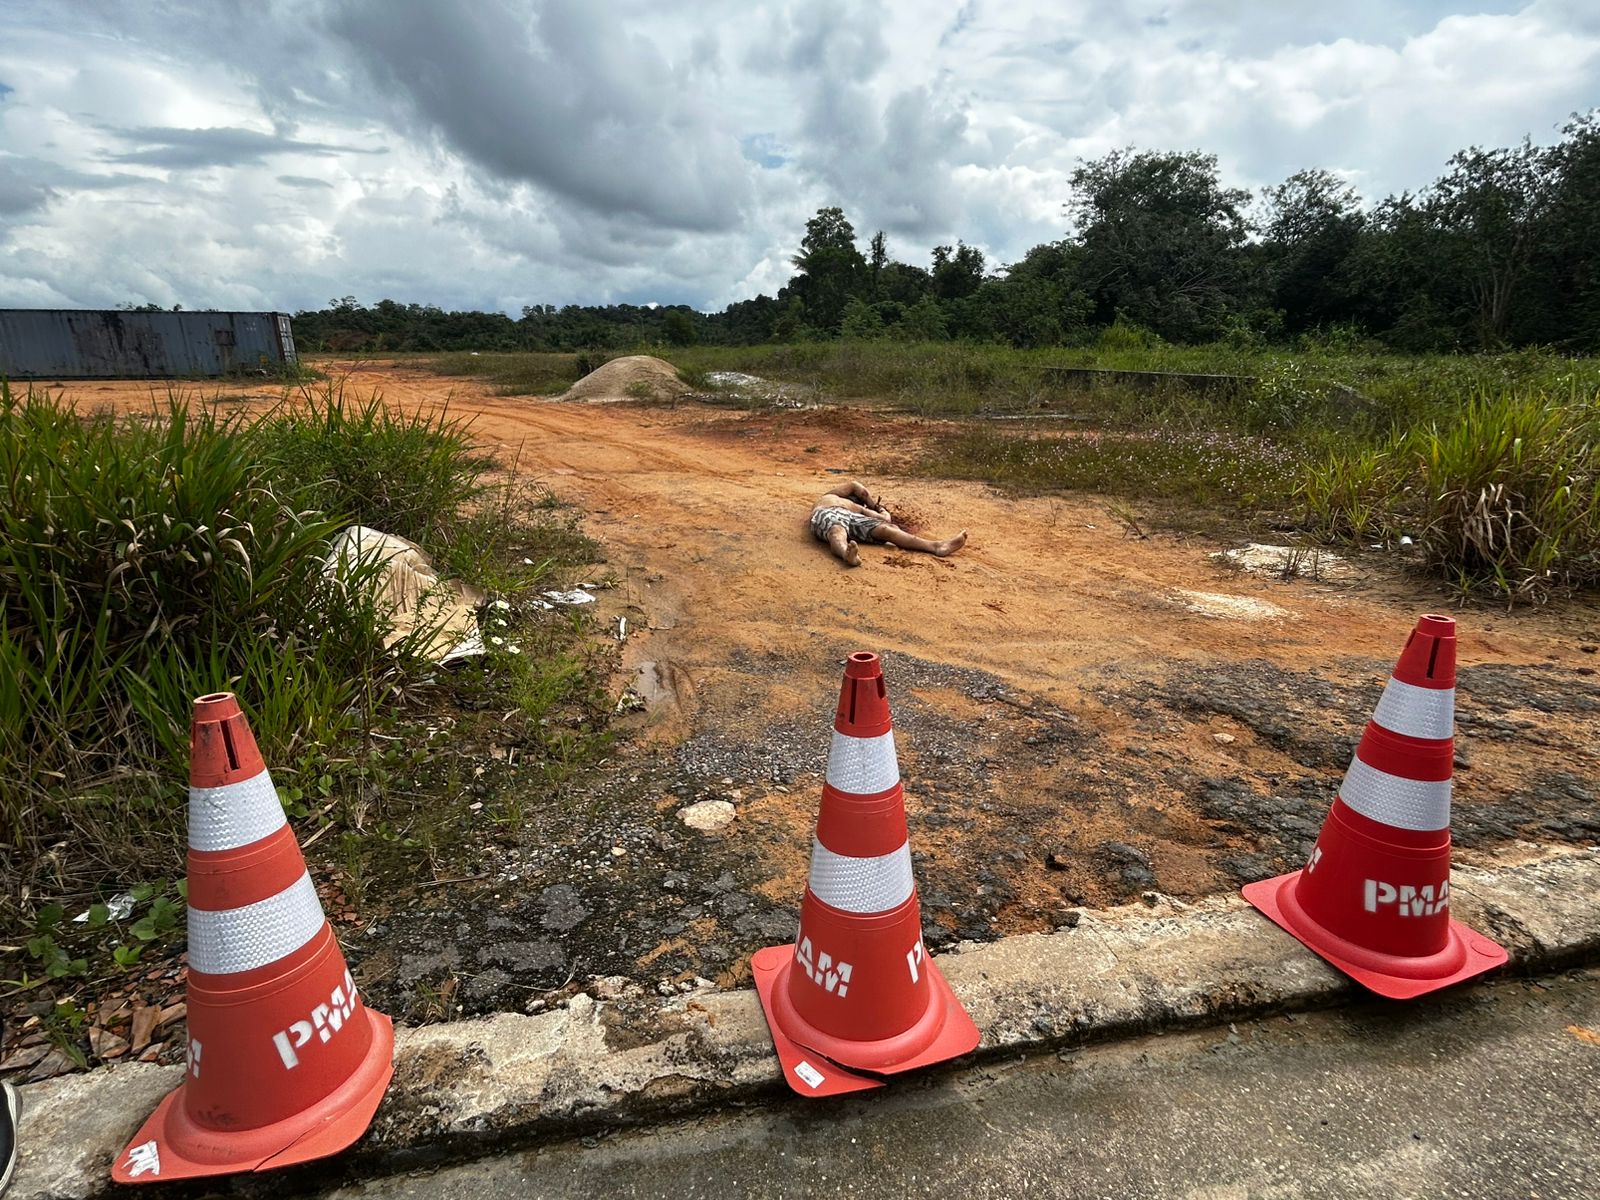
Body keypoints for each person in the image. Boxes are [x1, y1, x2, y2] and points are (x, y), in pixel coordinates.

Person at [808, 480, 967, 567]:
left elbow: (885, 520)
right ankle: (846, 554)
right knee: (837, 531)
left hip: (851, 515)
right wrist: (873, 504)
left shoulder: (857, 508)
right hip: (828, 512)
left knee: (887, 529)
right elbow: (855, 486)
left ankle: (937, 546)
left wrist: (881, 511)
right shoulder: (829, 497)